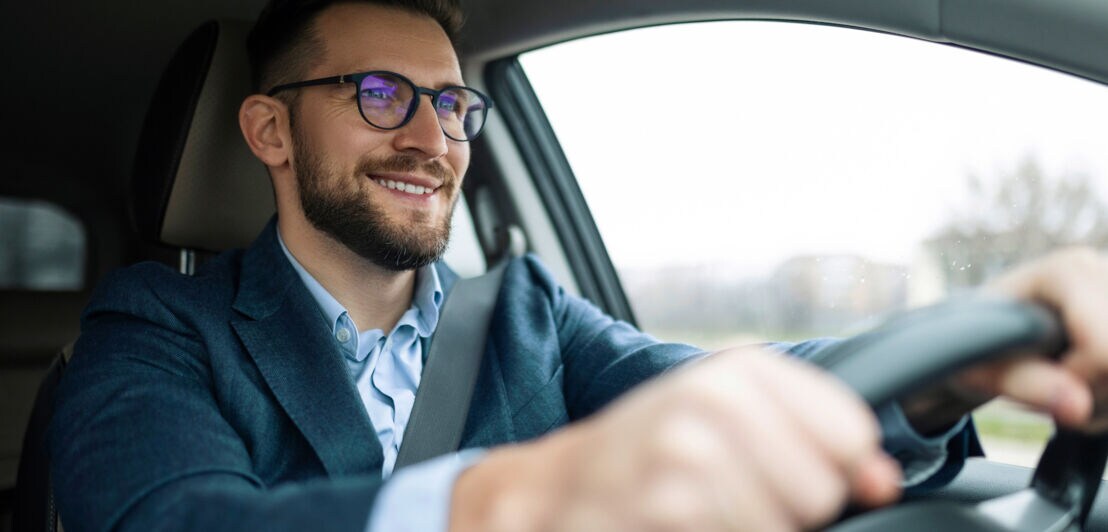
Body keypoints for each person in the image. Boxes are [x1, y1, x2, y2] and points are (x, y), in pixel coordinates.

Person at [48, 0, 1108, 530]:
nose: (435, 140)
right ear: (271, 132)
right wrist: (516, 498)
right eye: (382, 97)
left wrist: (952, 354)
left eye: (454, 103)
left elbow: (724, 391)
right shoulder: (157, 326)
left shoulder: (526, 315)